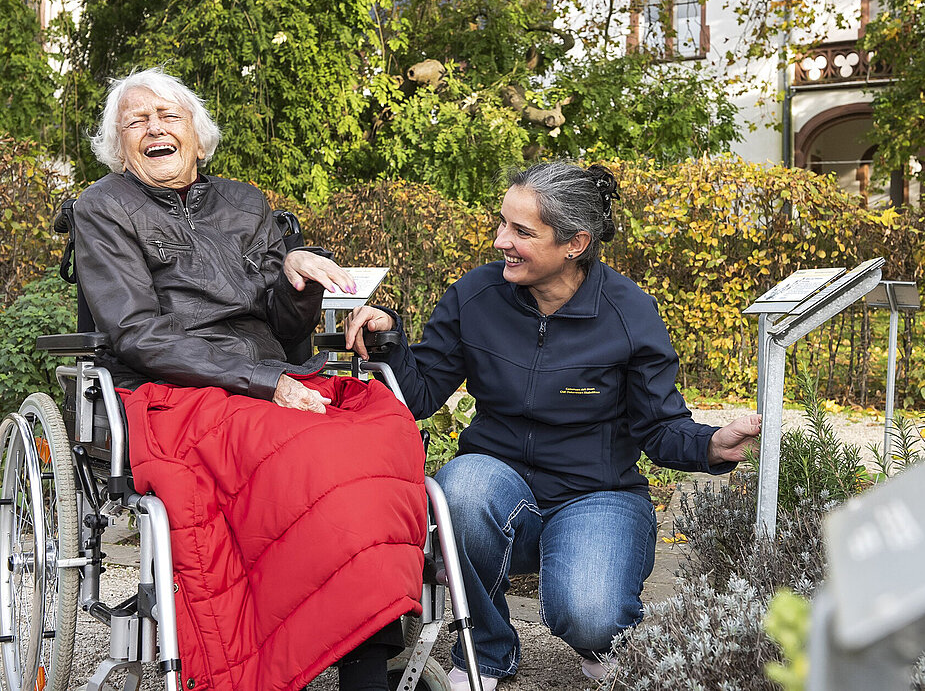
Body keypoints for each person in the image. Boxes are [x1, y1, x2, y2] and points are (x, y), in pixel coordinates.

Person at [344, 162, 762, 690]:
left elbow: (659, 427)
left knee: (590, 615)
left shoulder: (629, 312)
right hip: (498, 490)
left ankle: (599, 641)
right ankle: (485, 650)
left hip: (597, 494)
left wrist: (712, 445)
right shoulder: (476, 296)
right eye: (502, 223)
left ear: (575, 243)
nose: (501, 241)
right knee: (461, 488)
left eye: (521, 232)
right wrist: (387, 338)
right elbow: (421, 392)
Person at [73, 67, 426, 691]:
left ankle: (366, 642)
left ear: (197, 134)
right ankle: (350, 654)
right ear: (119, 145)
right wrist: (263, 381)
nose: (155, 129)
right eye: (136, 121)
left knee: (380, 426)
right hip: (173, 388)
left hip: (269, 376)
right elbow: (136, 332)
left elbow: (286, 330)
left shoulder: (245, 204)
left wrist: (299, 281)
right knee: (310, 452)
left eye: (168, 116)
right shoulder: (103, 207)